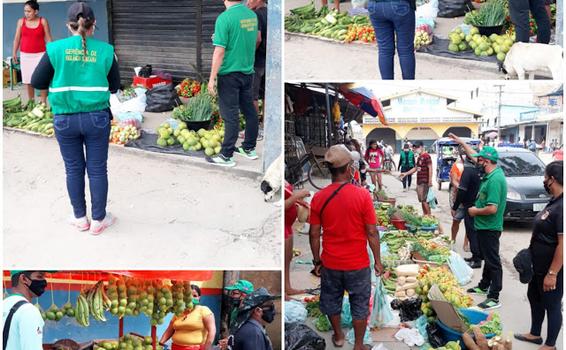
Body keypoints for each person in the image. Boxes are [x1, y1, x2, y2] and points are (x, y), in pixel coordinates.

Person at [31, 2, 120, 235]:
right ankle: (99, 220)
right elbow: (115, 86)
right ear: (94, 25)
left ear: (68, 26)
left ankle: (80, 218)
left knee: (73, 169)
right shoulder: (106, 50)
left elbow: (38, 81)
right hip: (97, 119)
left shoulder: (55, 49)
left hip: (65, 120)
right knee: (98, 170)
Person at [309, 144, 383, 349]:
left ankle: (339, 336)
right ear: (350, 168)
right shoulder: (362, 196)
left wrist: (317, 261)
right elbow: (372, 232)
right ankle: (358, 345)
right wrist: (378, 261)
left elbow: (314, 234)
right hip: (357, 264)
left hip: (331, 263)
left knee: (332, 301)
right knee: (359, 305)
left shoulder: (319, 197)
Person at [514, 161, 563, 350]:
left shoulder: (562, 207)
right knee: (534, 296)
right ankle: (535, 334)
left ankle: (550, 345)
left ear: (552, 179)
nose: (543, 181)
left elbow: (562, 245)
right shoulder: (554, 202)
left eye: (545, 177)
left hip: (551, 267)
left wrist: (553, 273)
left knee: (552, 304)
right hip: (537, 265)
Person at [207, 0, 259, 167]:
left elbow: (219, 51)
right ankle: (249, 148)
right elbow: (253, 38)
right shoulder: (252, 15)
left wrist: (211, 78)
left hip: (229, 74)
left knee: (230, 115)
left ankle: (226, 155)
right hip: (247, 72)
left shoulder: (224, 18)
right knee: (249, 111)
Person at [459, 144, 507, 310]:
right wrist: (460, 142)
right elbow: (473, 154)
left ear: (486, 161)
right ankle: (484, 285)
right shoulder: (490, 174)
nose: (476, 161)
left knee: (493, 261)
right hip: (484, 225)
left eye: (479, 159)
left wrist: (474, 211)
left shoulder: (494, 180)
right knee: (488, 257)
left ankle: (494, 296)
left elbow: (492, 208)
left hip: (490, 227)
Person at [449, 141, 483, 269]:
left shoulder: (468, 171)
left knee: (471, 232)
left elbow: (462, 191)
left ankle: (477, 259)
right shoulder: (479, 170)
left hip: (469, 205)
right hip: (475, 204)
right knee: (472, 231)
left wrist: (455, 206)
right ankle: (475, 256)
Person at [12, 0, 52, 104]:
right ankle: (31, 102)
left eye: (29, 11)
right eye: (25, 11)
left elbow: (48, 38)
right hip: (25, 56)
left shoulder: (43, 21)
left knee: (42, 79)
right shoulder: (21, 21)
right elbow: (16, 38)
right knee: (28, 80)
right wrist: (14, 53)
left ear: (36, 11)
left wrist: (52, 52)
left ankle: (43, 102)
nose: (26, 13)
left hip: (41, 55)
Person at [367, 0, 416, 79]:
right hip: (400, 5)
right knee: (405, 50)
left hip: (375, 6)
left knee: (384, 50)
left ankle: (387, 83)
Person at [160, 285, 216, 350]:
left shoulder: (204, 310)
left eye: (195, 296)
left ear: (199, 297)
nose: (191, 298)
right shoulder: (179, 312)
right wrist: (160, 344)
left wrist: (207, 348)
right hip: (175, 347)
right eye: (188, 296)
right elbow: (169, 330)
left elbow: (212, 330)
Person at [3, 271, 48, 350]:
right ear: (23, 279)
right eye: (40, 277)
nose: (44, 282)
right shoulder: (28, 311)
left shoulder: (3, 304)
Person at [285, 182, 310, 298]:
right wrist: (297, 196)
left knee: (288, 257)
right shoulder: (272, 181)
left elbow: (287, 196)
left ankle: (287, 287)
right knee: (284, 259)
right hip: (283, 225)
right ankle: (285, 289)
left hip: (288, 225)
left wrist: (297, 201)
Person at [400, 141, 433, 215]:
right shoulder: (419, 157)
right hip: (419, 181)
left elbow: (430, 168)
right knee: (422, 200)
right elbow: (415, 168)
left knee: (424, 200)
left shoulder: (427, 156)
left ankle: (429, 216)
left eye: (415, 148)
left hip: (424, 181)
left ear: (421, 147)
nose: (415, 150)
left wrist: (430, 180)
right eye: (414, 149)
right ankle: (425, 215)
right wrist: (405, 173)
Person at [247, 0, 267, 117]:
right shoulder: (270, 12)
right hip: (267, 61)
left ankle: (253, 127)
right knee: (266, 95)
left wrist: (249, 55)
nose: (248, 1)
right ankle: (265, 126)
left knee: (252, 96)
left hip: (257, 60)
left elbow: (257, 38)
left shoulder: (256, 15)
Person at [449, 155, 465, 247]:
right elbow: (453, 181)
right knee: (456, 220)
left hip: (470, 199)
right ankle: (453, 240)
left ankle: (465, 243)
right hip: (458, 196)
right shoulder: (457, 166)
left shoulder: (475, 165)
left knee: (469, 223)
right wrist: (461, 187)